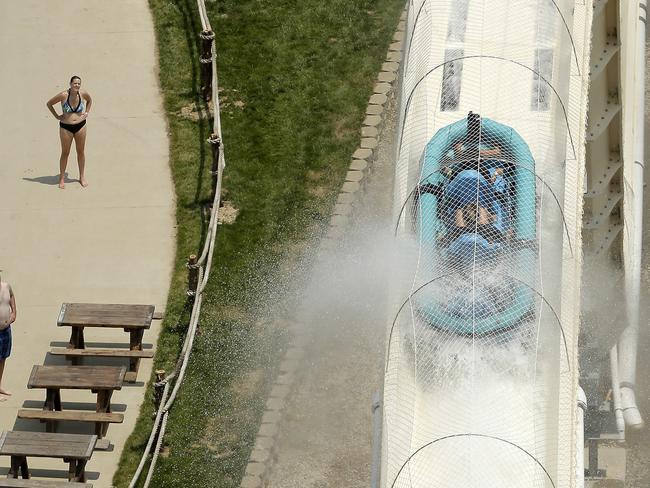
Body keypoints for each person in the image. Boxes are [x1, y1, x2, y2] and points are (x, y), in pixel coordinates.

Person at [46, 76, 93, 189]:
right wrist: (57, 116)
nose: (77, 85)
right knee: (65, 153)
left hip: (81, 126)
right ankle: (62, 178)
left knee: (81, 152)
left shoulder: (83, 94)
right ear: (70, 84)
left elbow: (90, 100)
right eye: (75, 83)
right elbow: (49, 104)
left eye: (78, 83)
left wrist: (86, 112)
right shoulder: (63, 95)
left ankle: (81, 176)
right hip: (66, 127)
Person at [0, 272, 17, 400]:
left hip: (6, 330)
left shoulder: (6, 287)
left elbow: (11, 296)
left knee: (3, 358)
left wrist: (14, 313)